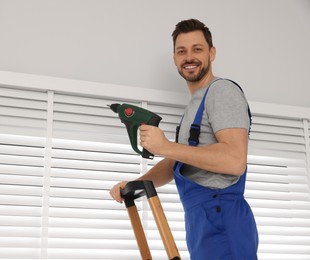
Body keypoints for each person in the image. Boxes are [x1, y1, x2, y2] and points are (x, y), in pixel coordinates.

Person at [109, 18, 259, 260]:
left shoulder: (222, 92)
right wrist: (135, 184)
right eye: (182, 51)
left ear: (212, 53)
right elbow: (175, 162)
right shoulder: (193, 107)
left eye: (197, 49)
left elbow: (234, 160)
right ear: (175, 59)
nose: (189, 57)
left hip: (222, 218)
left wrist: (166, 145)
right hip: (200, 223)